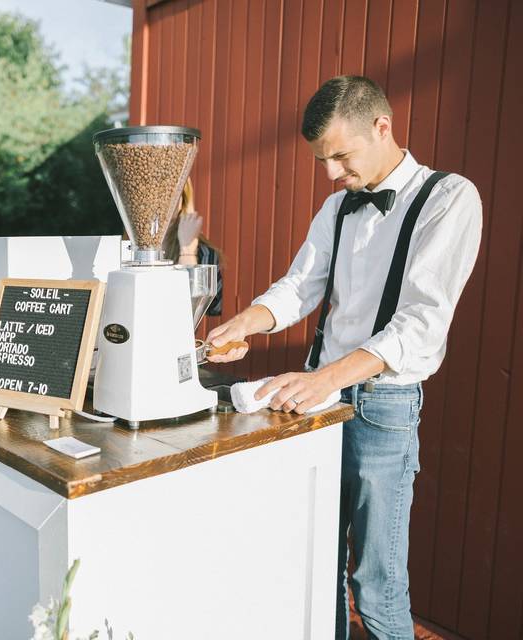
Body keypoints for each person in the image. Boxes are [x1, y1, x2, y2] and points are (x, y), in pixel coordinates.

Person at [205, 76, 482, 639]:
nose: (331, 172)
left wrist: (322, 377)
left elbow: (420, 326)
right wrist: (244, 325)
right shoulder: (336, 207)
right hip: (317, 402)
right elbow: (297, 288)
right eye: (322, 159)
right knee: (313, 565)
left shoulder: (450, 199)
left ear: (382, 127)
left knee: (375, 583)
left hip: (384, 407)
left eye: (340, 155)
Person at [162, 177, 223, 316]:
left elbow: (211, 307)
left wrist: (187, 250)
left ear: (183, 199)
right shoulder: (125, 248)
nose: (161, 201)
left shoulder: (204, 252)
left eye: (170, 193)